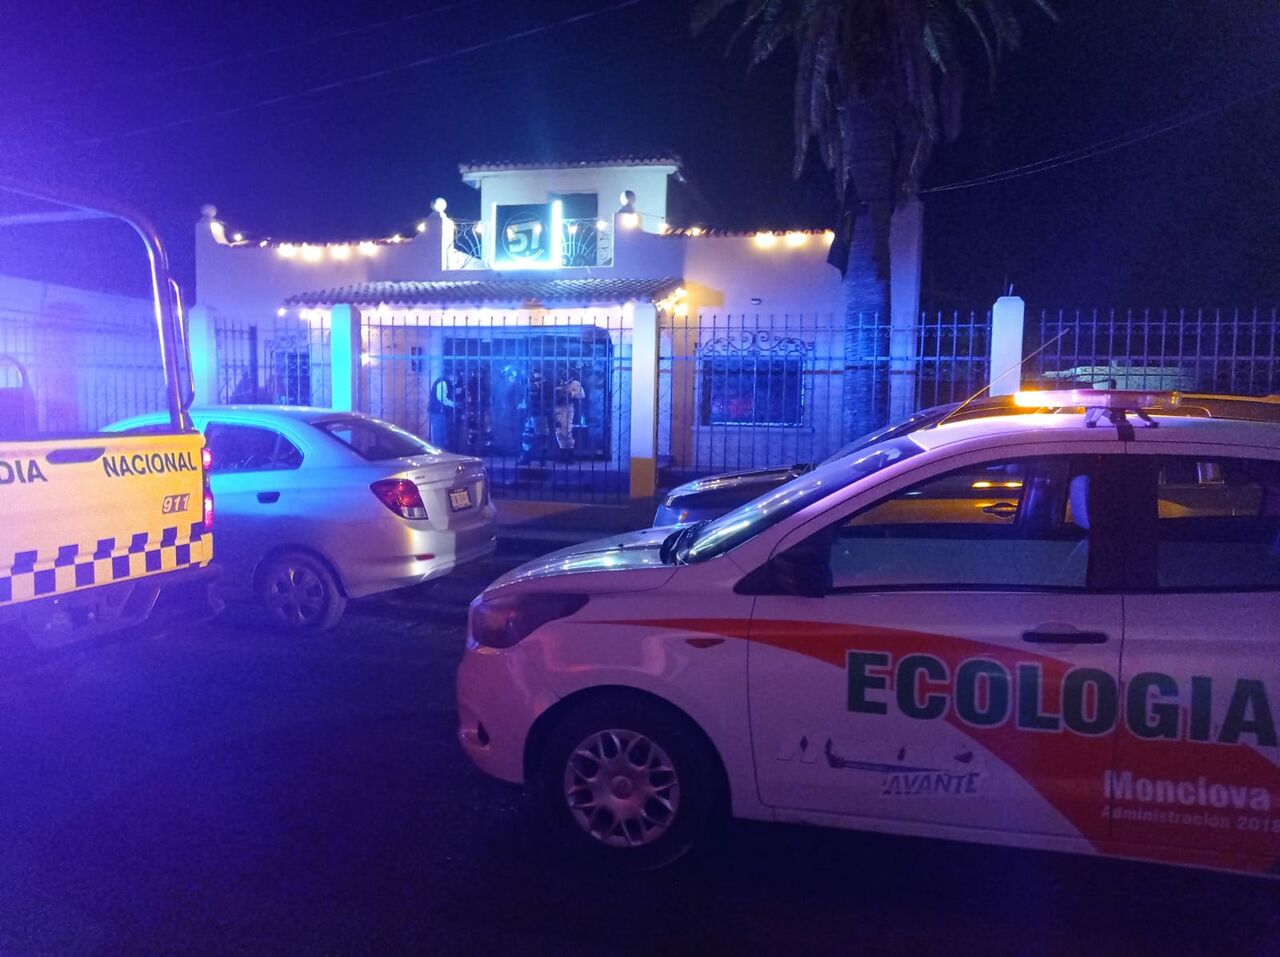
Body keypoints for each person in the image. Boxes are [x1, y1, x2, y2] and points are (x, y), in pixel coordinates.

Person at [519, 367, 553, 465]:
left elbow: (548, 401)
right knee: (527, 435)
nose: (535, 374)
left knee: (542, 436)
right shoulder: (529, 385)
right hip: (530, 414)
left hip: (540, 415)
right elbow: (527, 399)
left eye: (537, 372)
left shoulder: (546, 386)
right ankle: (526, 457)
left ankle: (542, 458)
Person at [554, 365, 586, 460]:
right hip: (556, 408)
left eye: (565, 372)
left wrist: (570, 393)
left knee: (566, 431)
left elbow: (581, 394)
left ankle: (569, 453)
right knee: (559, 432)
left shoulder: (574, 383)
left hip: (567, 409)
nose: (563, 374)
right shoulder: (557, 382)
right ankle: (563, 453)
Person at [428, 371, 456, 450]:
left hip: (440, 412)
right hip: (438, 412)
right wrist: (454, 404)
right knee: (439, 436)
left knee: (442, 435)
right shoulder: (443, 382)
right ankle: (439, 453)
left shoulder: (446, 382)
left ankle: (442, 451)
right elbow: (442, 398)